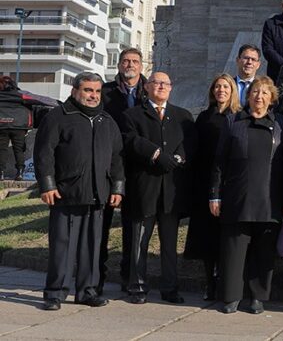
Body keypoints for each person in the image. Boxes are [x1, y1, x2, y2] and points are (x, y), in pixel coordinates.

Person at [35, 72, 124, 311]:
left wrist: (117, 187)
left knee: (92, 247)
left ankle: (87, 291)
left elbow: (117, 158)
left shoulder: (107, 120)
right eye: (88, 90)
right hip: (65, 193)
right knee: (63, 246)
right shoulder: (58, 117)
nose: (93, 95)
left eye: (96, 91)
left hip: (98, 194)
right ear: (75, 91)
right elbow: (44, 153)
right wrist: (47, 185)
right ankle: (55, 293)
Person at [209, 76, 283, 314]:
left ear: (271, 98)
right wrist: (215, 195)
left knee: (263, 252)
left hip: (269, 197)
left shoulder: (281, 125)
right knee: (233, 250)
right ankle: (231, 296)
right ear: (248, 96)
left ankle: (257, 297)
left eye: (264, 93)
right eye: (255, 92)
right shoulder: (233, 122)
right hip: (236, 196)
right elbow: (219, 162)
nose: (259, 97)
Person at [121, 72, 195, 305]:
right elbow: (130, 141)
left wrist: (179, 158)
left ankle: (170, 288)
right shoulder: (132, 115)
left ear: (171, 88)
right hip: (145, 189)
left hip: (171, 191)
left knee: (170, 245)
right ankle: (137, 288)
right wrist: (155, 154)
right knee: (139, 243)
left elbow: (190, 143)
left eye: (166, 83)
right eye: (156, 82)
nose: (161, 86)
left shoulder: (182, 116)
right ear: (147, 86)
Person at [184, 74, 242, 301]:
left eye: (225, 87)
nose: (221, 90)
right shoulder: (205, 117)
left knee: (226, 236)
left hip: (230, 182)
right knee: (207, 236)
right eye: (217, 86)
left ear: (232, 90)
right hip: (205, 182)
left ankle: (225, 281)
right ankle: (210, 282)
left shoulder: (237, 117)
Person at [99, 47, 147, 294]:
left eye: (135, 61)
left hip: (138, 168)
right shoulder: (105, 92)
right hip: (108, 165)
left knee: (134, 224)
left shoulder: (150, 91)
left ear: (142, 65)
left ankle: (130, 276)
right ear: (119, 65)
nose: (130, 65)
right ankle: (97, 277)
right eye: (126, 61)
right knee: (102, 223)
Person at [0, 76, 31, 180]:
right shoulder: (22, 95)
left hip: (2, 124)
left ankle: (1, 173)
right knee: (19, 150)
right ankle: (20, 172)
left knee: (2, 149)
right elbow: (30, 108)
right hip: (19, 125)